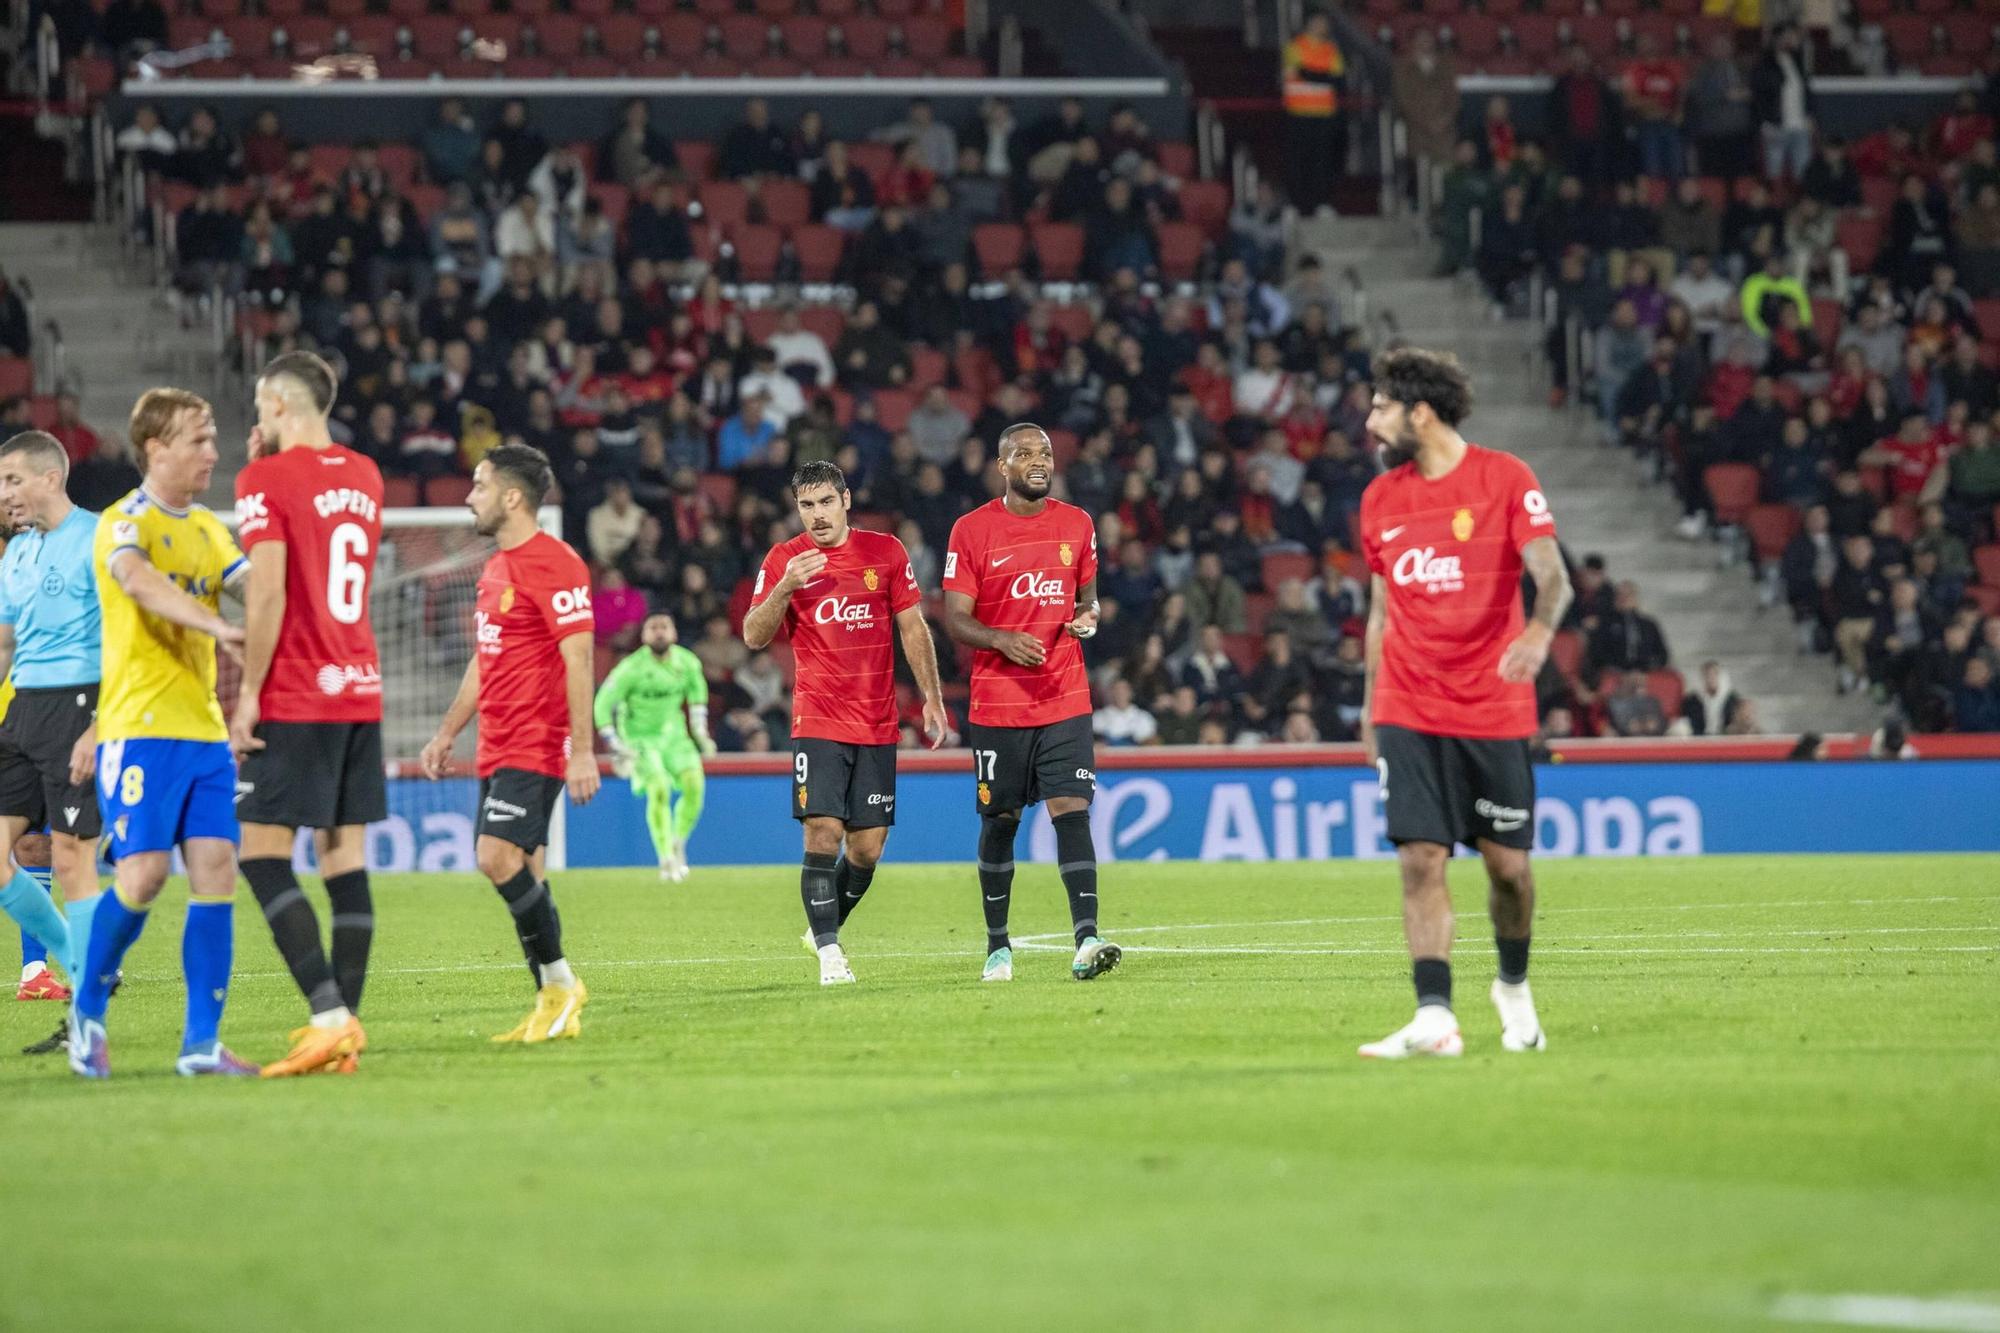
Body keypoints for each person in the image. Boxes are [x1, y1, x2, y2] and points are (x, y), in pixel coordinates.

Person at [1355, 347, 1570, 1059]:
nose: (1370, 420)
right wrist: (1368, 703)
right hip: (1408, 701)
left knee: (1508, 869)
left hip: (1492, 704)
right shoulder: (1381, 498)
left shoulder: (1505, 477)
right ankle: (1433, 1015)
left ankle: (1511, 983)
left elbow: (1553, 575)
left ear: (1420, 411)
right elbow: (1381, 612)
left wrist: (1539, 632)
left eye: (1381, 406)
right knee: (1419, 857)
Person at [69, 388, 255, 1079]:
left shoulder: (209, 528)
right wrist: (214, 623)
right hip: (138, 730)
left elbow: (254, 587)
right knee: (144, 875)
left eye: (213, 438)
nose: (213, 451)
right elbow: (139, 582)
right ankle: (87, 1011)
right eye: (199, 440)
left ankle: (201, 1044)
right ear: (156, 448)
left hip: (203, 732)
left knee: (215, 872)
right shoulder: (124, 522)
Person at [227, 352, 383, 1078]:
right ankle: (343, 1028)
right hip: (360, 684)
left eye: (262, 409)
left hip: (296, 691)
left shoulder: (263, 478)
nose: (257, 422)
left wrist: (248, 691)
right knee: (342, 857)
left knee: (260, 855)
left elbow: (267, 593)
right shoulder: (365, 474)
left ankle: (326, 1015)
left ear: (280, 406)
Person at [742, 461, 947, 985]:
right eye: (806, 506)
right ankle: (831, 954)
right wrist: (785, 588)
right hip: (818, 719)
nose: (816, 515)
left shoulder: (885, 552)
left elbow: (912, 628)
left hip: (878, 723)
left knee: (867, 848)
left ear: (845, 500)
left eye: (825, 502)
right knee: (824, 830)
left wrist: (931, 699)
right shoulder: (785, 560)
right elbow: (753, 635)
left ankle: (822, 926)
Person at [420, 445, 599, 1043]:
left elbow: (579, 658)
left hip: (538, 741)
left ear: (512, 497)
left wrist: (582, 749)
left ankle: (560, 985)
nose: (470, 496)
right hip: (496, 744)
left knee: (495, 858)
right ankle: (553, 1001)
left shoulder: (556, 562)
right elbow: (486, 656)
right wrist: (448, 731)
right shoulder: (495, 567)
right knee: (525, 870)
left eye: (479, 485)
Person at [942, 424, 1122, 984]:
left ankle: (1087, 938)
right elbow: (955, 616)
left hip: (1065, 697)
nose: (1038, 461)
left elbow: (1088, 600)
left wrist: (1087, 619)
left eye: (1044, 452)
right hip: (998, 706)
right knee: (1001, 819)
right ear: (1003, 465)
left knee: (1071, 808)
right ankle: (998, 946)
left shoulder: (1077, 524)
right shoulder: (972, 530)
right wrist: (1000, 639)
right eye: (1024, 453)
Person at [0, 433, 103, 1036]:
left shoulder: (97, 538)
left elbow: (124, 637)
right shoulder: (14, 556)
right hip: (22, 712)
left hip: (79, 704)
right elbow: (5, 648)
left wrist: (100, 722)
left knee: (70, 858)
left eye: (12, 480)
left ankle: (87, 1015)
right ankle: (78, 962)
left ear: (50, 478)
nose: (4, 494)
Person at [594, 612, 715, 883]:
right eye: (653, 628)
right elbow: (602, 704)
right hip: (640, 739)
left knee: (695, 786)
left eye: (664, 627)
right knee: (658, 788)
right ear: (644, 635)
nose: (659, 632)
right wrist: (615, 744)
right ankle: (665, 858)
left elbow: (697, 696)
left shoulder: (687, 662)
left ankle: (678, 841)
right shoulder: (630, 668)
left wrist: (700, 732)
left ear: (673, 633)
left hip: (675, 736)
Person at [1280, 10, 1345, 215]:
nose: (1321, 26)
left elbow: (1339, 81)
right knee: (1297, 161)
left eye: (1324, 23)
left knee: (1323, 161)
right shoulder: (1294, 47)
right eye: (1317, 22)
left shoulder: (1331, 49)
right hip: (1298, 113)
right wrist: (1321, 76)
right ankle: (1295, 204)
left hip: (1324, 114)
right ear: (1307, 24)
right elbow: (1297, 72)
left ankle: (1321, 203)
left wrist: (1311, 74)